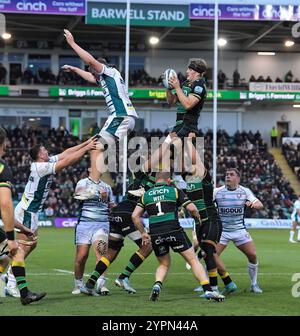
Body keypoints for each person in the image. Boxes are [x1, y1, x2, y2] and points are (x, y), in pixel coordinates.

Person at [5, 137, 97, 297]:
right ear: (40, 155)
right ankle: (12, 283)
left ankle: (9, 273)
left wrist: (86, 143)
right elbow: (67, 161)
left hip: (30, 211)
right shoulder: (41, 167)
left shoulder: (43, 163)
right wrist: (87, 149)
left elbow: (65, 154)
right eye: (44, 150)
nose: (47, 151)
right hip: (27, 212)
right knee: (23, 248)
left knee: (31, 245)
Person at [62, 29, 138, 193]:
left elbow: (90, 60)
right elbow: (90, 76)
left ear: (98, 67)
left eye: (93, 70)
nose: (92, 76)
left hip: (120, 116)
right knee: (97, 147)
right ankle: (96, 182)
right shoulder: (108, 77)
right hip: (125, 117)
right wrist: (75, 70)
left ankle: (93, 184)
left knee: (96, 145)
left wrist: (72, 43)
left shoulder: (107, 71)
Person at [132, 171, 225, 302]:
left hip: (156, 232)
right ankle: (208, 290)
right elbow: (192, 208)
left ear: (155, 181)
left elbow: (135, 216)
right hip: (173, 229)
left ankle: (157, 285)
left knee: (164, 264)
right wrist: (197, 219)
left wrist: (143, 233)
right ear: (168, 180)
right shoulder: (174, 191)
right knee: (193, 260)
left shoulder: (146, 195)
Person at [0, 127, 46, 305]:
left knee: (4, 259)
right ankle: (25, 294)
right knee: (17, 252)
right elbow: (4, 205)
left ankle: (24, 294)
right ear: (4, 143)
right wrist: (12, 238)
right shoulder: (3, 167)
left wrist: (24, 229)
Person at [183, 136, 225, 294]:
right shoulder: (187, 178)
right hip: (200, 222)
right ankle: (217, 285)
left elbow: (197, 160)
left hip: (211, 220)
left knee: (208, 252)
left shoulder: (205, 178)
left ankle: (213, 288)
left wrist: (188, 142)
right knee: (205, 253)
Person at [214, 168, 264, 294]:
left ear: (238, 178)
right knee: (211, 256)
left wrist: (252, 204)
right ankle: (206, 284)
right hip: (222, 231)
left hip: (239, 230)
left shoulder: (245, 191)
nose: (228, 177)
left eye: (231, 175)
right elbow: (206, 204)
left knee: (252, 255)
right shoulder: (217, 191)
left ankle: (254, 284)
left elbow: (260, 204)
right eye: (226, 174)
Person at [72, 169, 115, 295]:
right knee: (81, 257)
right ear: (89, 169)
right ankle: (78, 284)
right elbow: (78, 196)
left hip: (102, 224)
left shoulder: (107, 187)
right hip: (85, 224)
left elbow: (112, 207)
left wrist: (106, 199)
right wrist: (96, 193)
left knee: (101, 255)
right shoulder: (82, 183)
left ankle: (101, 284)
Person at [165, 58, 207, 141]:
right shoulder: (185, 84)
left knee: (162, 152)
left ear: (196, 72)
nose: (187, 71)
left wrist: (177, 87)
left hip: (187, 126)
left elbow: (188, 105)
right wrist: (168, 87)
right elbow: (171, 102)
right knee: (165, 152)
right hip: (179, 125)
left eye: (190, 69)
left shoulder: (199, 85)